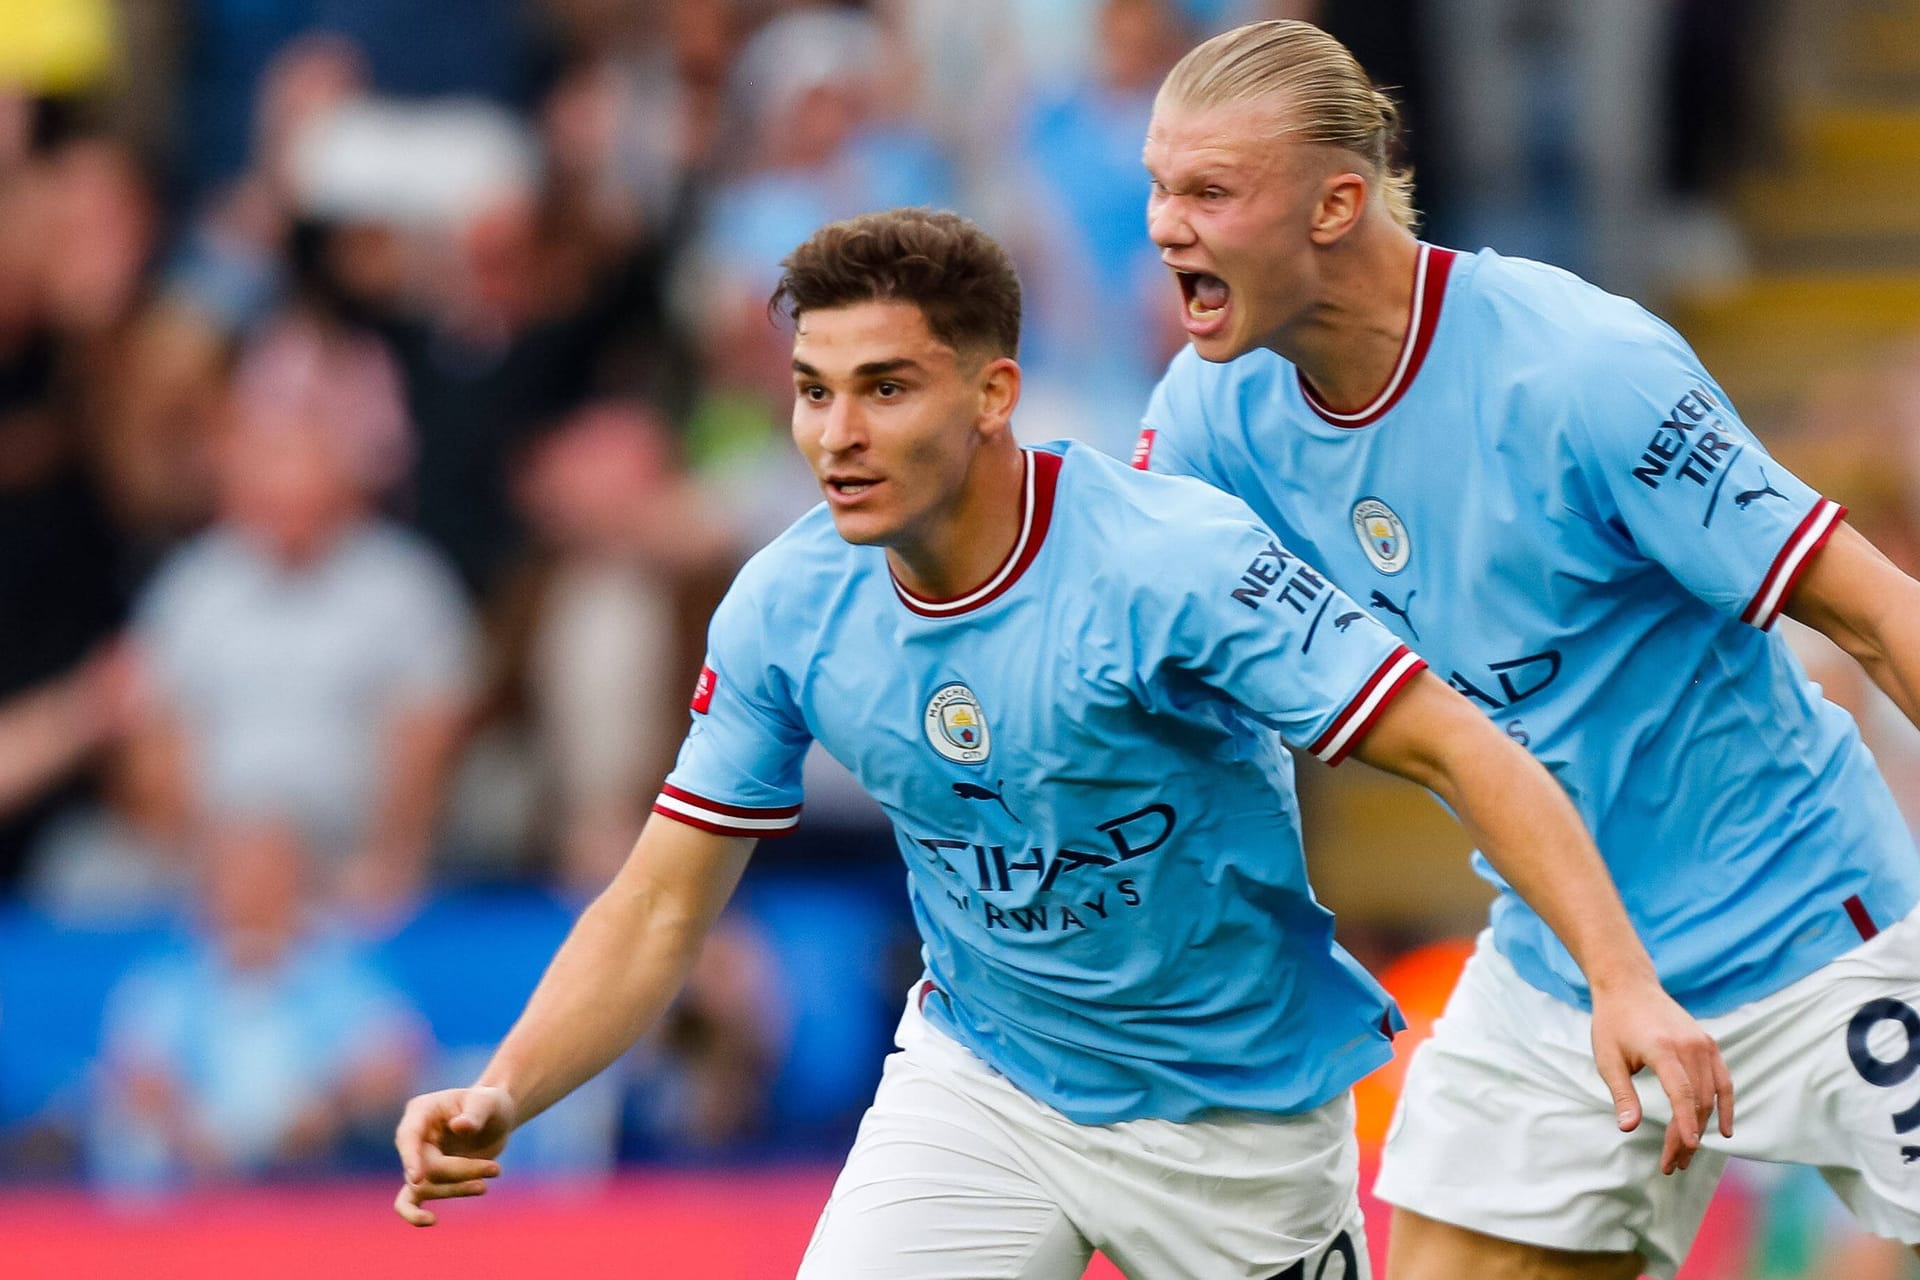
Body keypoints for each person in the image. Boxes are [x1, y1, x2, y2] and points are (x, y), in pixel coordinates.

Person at [392, 208, 1726, 1278]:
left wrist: (1620, 979)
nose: (836, 436)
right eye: (811, 392)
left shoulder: (1179, 567)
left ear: (993, 393)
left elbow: (1458, 745)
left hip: (1234, 1117)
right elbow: (658, 904)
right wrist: (504, 1091)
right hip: (987, 1082)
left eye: (885, 388)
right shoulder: (788, 604)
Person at [1133, 20, 1920, 1280]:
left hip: (1821, 924)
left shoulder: (1579, 368)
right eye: (1159, 188)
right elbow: (1139, 663)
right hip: (1561, 965)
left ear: (1338, 203)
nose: (1167, 226)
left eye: (1209, 192)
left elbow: (1880, 611)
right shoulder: (1210, 415)